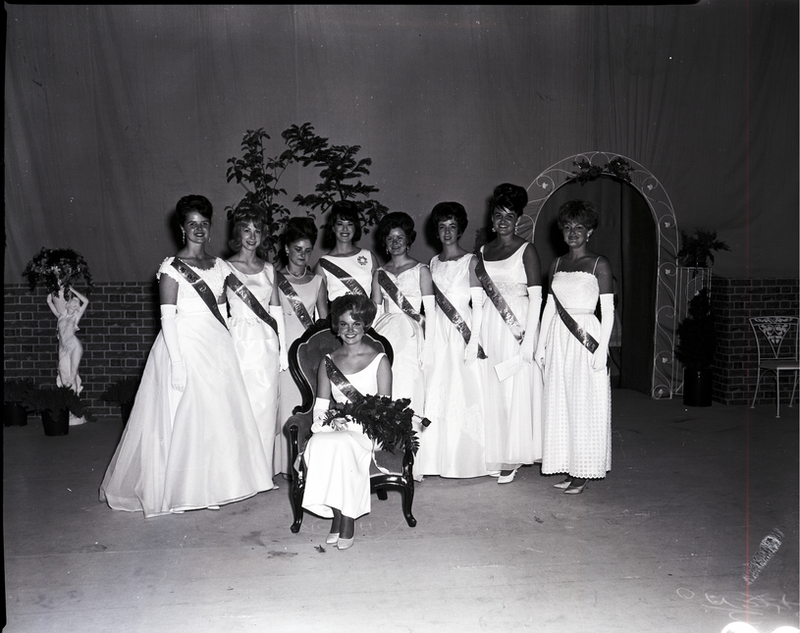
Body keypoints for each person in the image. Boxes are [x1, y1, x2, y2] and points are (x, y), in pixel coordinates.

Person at [99, 194, 275, 517]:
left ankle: (212, 487)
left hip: (216, 346)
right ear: (182, 228)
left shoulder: (219, 266)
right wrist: (177, 364)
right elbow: (167, 319)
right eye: (192, 224)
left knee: (216, 419)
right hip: (184, 346)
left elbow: (223, 310)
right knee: (186, 421)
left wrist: (230, 349)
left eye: (204, 224)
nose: (198, 229)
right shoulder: (171, 268)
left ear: (210, 228)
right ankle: (181, 491)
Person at [535, 199, 614, 495]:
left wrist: (602, 348)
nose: (572, 232)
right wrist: (541, 345)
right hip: (558, 338)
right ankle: (569, 467)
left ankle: (584, 471)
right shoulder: (556, 264)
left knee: (585, 405)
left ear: (590, 231)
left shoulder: (599, 264)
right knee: (561, 403)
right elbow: (549, 307)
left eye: (579, 227)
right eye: (567, 226)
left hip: (586, 339)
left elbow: (608, 311)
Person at [301, 294, 392, 550]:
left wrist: (350, 421)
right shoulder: (328, 362)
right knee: (318, 443)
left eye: (356, 324)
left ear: (366, 326)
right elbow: (320, 408)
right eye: (344, 324)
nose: (350, 330)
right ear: (336, 328)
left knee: (342, 444)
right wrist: (330, 422)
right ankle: (338, 515)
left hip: (368, 430)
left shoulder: (379, 361)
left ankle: (348, 518)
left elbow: (383, 412)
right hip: (337, 427)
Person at [415, 202, 488, 478]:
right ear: (436, 231)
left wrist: (474, 340)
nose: (447, 232)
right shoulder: (432, 263)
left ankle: (467, 460)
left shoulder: (472, 261)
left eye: (452, 226)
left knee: (464, 390)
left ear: (460, 230)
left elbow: (478, 304)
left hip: (463, 332)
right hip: (439, 333)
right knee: (437, 389)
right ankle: (436, 461)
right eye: (442, 227)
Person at [478, 183, 543, 484]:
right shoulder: (483, 251)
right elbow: (480, 296)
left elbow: (537, 297)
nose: (503, 221)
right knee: (492, 388)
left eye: (509, 216)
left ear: (518, 220)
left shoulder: (527, 250)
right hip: (490, 323)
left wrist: (529, 341)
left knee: (513, 388)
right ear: (491, 219)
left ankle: (513, 455)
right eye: (498, 215)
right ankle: (496, 450)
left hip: (517, 322)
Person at [225, 204, 288, 478]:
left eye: (257, 231)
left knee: (265, 407)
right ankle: (239, 473)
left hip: (265, 344)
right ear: (237, 233)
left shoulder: (269, 269)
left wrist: (282, 351)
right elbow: (220, 312)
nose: (252, 236)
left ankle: (262, 473)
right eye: (246, 230)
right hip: (237, 343)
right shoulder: (225, 268)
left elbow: (276, 310)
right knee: (239, 408)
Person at [275, 216, 329, 472]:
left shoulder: (318, 281)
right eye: (297, 249)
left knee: (303, 402)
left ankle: (301, 466)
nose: (303, 255)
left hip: (305, 353)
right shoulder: (274, 279)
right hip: (281, 348)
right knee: (282, 403)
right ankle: (280, 464)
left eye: (308, 251)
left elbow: (324, 322)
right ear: (286, 248)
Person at [370, 211, 433, 424]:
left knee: (408, 381)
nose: (395, 243)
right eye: (390, 238)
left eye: (400, 237)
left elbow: (430, 312)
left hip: (412, 333)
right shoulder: (379, 273)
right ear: (385, 243)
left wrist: (429, 346)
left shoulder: (421, 270)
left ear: (408, 241)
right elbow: (376, 310)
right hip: (385, 331)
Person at [314, 200, 378, 303]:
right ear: (333, 228)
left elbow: (378, 297)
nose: (345, 229)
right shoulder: (323, 264)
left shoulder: (369, 257)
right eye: (340, 224)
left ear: (355, 227)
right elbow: (320, 304)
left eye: (350, 224)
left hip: (367, 313)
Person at [47, 286, 90, 425]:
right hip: (63, 349)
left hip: (74, 347)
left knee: (72, 376)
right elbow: (49, 302)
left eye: (76, 305)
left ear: (77, 308)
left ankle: (74, 409)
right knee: (63, 375)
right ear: (67, 304)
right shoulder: (60, 316)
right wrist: (53, 290)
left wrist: (72, 289)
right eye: (71, 303)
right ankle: (68, 406)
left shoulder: (75, 317)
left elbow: (86, 301)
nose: (73, 306)